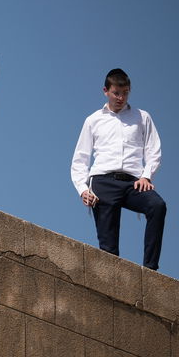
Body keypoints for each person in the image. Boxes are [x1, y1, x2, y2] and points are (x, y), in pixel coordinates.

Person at [70, 67, 167, 270]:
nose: (121, 98)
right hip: (103, 182)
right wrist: (82, 189)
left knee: (157, 206)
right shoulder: (93, 120)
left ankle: (150, 269)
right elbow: (80, 159)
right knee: (109, 251)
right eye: (116, 93)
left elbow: (154, 150)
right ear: (106, 91)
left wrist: (146, 176)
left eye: (125, 93)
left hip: (134, 182)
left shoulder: (142, 117)